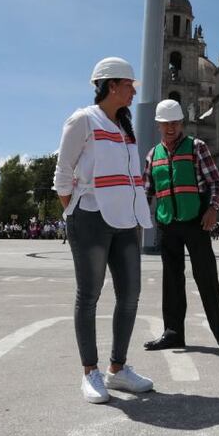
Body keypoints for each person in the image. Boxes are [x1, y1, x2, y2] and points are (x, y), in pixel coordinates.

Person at [54, 57, 155, 403]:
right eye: (129, 86)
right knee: (90, 294)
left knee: (130, 294)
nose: (132, 92)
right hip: (91, 218)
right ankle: (90, 372)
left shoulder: (126, 126)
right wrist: (73, 211)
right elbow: (62, 175)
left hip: (126, 220)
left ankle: (118, 369)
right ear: (112, 86)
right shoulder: (83, 120)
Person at [142, 99, 219, 355]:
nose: (170, 128)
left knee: (206, 278)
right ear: (159, 125)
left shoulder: (197, 147)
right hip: (168, 224)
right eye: (165, 124)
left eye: (174, 123)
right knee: (171, 281)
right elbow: (146, 190)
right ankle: (173, 333)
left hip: (196, 222)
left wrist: (213, 209)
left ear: (181, 123)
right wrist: (136, 219)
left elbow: (216, 182)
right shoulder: (153, 155)